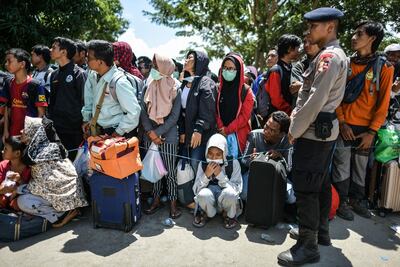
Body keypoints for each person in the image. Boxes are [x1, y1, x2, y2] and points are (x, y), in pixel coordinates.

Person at [277, 8, 348, 266]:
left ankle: (308, 246)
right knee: (319, 183)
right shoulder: (332, 54)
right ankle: (320, 234)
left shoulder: (328, 57)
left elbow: (314, 99)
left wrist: (294, 130)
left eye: (314, 27)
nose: (309, 32)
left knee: (306, 187)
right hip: (321, 130)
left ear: (330, 27)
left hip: (313, 131)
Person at [332, 21, 394, 220]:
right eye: (354, 32)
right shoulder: (346, 63)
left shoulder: (384, 67)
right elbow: (336, 95)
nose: (353, 37)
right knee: (341, 165)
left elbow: (383, 103)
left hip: (366, 130)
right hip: (343, 126)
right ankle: (341, 202)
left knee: (360, 166)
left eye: (359, 34)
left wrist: (372, 132)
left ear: (372, 39)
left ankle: (357, 200)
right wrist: (342, 122)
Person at [17, 116, 88, 227]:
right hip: (69, 195)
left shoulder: (38, 155)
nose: (22, 131)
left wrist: (17, 190)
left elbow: (40, 186)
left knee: (22, 201)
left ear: (35, 133)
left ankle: (60, 216)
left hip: (68, 198)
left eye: (26, 130)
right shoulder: (47, 148)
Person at [140, 53, 182, 218]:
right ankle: (156, 200)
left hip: (168, 136)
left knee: (170, 172)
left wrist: (156, 133)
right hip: (150, 135)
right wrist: (151, 133)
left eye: (157, 66)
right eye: (153, 66)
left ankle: (173, 203)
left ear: (165, 67)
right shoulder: (147, 85)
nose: (154, 69)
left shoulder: (175, 87)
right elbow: (142, 112)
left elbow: (174, 117)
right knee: (156, 170)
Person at [82, 40, 141, 138]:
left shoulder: (119, 82)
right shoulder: (93, 76)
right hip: (100, 131)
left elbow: (133, 112)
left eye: (89, 58)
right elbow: (90, 102)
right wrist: (88, 121)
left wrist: (117, 133)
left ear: (100, 62)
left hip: (116, 133)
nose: (86, 60)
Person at [177, 50, 217, 174]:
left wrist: (198, 129)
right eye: (186, 57)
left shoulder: (206, 82)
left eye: (190, 58)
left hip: (201, 134)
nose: (186, 60)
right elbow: (180, 109)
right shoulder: (185, 82)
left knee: (196, 163)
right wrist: (182, 131)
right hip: (187, 132)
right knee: (186, 165)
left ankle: (200, 191)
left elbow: (208, 110)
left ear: (199, 62)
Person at [192, 133, 242, 229]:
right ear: (206, 152)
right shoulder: (203, 164)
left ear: (224, 153)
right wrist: (206, 175)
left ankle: (227, 214)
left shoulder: (233, 163)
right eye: (210, 154)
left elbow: (237, 189)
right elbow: (196, 190)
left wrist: (221, 176)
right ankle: (208, 213)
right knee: (203, 195)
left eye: (218, 155)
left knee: (231, 194)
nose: (213, 158)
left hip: (224, 198)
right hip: (209, 199)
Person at [48, 37, 86, 160]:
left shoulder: (79, 73)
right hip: (56, 129)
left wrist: (83, 123)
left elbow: (84, 101)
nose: (50, 49)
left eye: (54, 47)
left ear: (64, 52)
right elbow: (51, 102)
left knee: (72, 165)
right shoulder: (53, 74)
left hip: (73, 130)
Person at [240, 111, 291, 201]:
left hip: (276, 176)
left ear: (282, 134)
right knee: (244, 194)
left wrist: (280, 157)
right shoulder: (254, 135)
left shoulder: (287, 141)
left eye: (272, 130)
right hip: (255, 173)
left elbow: (289, 168)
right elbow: (244, 160)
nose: (266, 131)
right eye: (266, 126)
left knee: (291, 197)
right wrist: (255, 161)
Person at [1, 48, 47, 140]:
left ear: (22, 64)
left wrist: (30, 133)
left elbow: (41, 113)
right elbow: (7, 107)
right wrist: (5, 131)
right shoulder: (8, 83)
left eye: (9, 61)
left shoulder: (36, 85)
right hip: (12, 134)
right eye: (6, 61)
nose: (6, 64)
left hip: (29, 136)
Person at [216, 52, 254, 154]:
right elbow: (215, 111)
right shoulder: (218, 89)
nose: (227, 71)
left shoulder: (246, 91)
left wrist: (227, 130)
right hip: (219, 134)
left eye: (231, 68)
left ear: (239, 70)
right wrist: (221, 128)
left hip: (239, 137)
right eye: (225, 67)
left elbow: (244, 116)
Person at [257, 34, 302, 119]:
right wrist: (291, 112)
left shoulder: (291, 68)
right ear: (289, 49)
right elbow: (276, 99)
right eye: (297, 48)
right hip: (277, 120)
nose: (298, 51)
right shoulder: (275, 70)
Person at [0, 136, 30, 210]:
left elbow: (31, 190)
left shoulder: (29, 169)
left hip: (20, 207)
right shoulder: (2, 165)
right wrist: (2, 190)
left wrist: (20, 181)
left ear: (17, 153)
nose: (2, 151)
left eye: (6, 149)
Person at [290, 37, 320, 105]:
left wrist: (303, 86)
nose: (306, 45)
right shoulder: (299, 66)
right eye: (305, 42)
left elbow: (330, 89)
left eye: (311, 42)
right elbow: (295, 89)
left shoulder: (327, 61)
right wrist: (318, 87)